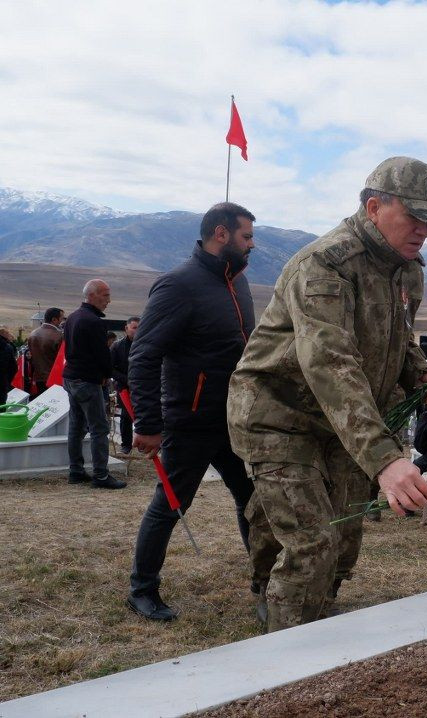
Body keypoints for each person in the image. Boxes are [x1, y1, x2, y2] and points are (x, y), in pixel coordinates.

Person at [229, 157, 427, 631]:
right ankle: (288, 655)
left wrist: (419, 376)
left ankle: (314, 609)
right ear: (374, 207)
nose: (424, 233)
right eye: (414, 218)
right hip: (280, 415)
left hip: (344, 421)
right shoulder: (325, 265)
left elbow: (397, 337)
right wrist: (385, 458)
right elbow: (329, 363)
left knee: (344, 538)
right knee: (314, 545)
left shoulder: (407, 270)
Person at [127, 204, 260, 622]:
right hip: (190, 419)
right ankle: (142, 590)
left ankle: (265, 579)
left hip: (234, 418)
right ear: (221, 234)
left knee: (252, 499)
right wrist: (148, 424)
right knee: (170, 505)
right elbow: (143, 356)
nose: (252, 245)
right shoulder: (178, 285)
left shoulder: (238, 283)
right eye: (246, 237)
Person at [63, 280, 124, 489]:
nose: (109, 300)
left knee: (76, 427)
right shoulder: (94, 321)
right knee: (99, 428)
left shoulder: (72, 317)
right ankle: (100, 475)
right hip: (88, 381)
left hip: (71, 378)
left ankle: (76, 471)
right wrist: (107, 374)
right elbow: (101, 354)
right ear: (92, 295)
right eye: (105, 295)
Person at [110, 316, 139, 454]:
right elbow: (110, 368)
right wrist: (126, 379)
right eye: (134, 328)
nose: (137, 331)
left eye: (140, 327)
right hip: (124, 387)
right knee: (126, 416)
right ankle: (126, 444)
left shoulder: (148, 344)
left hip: (143, 387)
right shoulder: (117, 346)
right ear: (126, 329)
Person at [28, 308, 65, 397]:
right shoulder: (59, 336)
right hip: (54, 379)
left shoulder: (33, 333)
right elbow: (62, 360)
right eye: (61, 318)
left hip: (38, 377)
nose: (62, 321)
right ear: (54, 319)